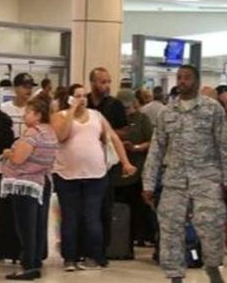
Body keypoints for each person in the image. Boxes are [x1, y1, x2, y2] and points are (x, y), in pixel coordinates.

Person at [142, 65, 227, 283]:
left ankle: (213, 268)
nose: (182, 81)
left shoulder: (212, 109)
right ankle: (175, 276)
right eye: (179, 77)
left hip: (207, 180)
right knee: (170, 230)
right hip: (174, 182)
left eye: (187, 77)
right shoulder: (167, 112)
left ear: (196, 81)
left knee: (211, 227)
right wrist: (148, 183)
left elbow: (226, 146)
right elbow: (156, 149)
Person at [51, 84, 136, 271]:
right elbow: (61, 136)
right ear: (70, 98)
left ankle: (94, 256)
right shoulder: (60, 116)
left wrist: (125, 162)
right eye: (77, 96)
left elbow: (113, 138)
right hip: (67, 175)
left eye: (84, 96)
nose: (82, 99)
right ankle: (70, 257)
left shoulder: (96, 116)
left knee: (92, 217)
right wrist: (72, 111)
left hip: (95, 175)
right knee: (71, 218)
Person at [0, 98, 59, 280]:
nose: (24, 115)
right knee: (38, 225)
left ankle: (28, 265)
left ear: (38, 115)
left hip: (25, 184)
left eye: (28, 112)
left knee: (26, 227)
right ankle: (35, 261)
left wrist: (8, 152)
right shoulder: (50, 132)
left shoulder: (33, 133)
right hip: (42, 181)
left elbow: (18, 158)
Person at [0, 73, 36, 263]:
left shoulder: (34, 110)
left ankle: (22, 249)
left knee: (23, 211)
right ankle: (1, 248)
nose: (28, 90)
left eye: (30, 87)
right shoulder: (4, 109)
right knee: (4, 210)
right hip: (6, 166)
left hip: (28, 168)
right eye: (24, 86)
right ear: (15, 88)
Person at [86, 67, 128, 263]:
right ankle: (81, 248)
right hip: (84, 162)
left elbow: (124, 131)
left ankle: (101, 250)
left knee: (104, 208)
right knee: (83, 209)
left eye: (109, 81)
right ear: (92, 83)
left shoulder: (115, 105)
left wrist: (105, 134)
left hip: (106, 164)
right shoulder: (84, 102)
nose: (107, 85)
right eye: (102, 82)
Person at [114, 89, 155, 246]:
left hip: (137, 170)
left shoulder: (142, 119)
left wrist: (136, 147)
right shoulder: (113, 120)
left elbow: (152, 142)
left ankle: (139, 236)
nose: (126, 111)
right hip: (116, 172)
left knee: (137, 207)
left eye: (127, 107)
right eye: (122, 108)